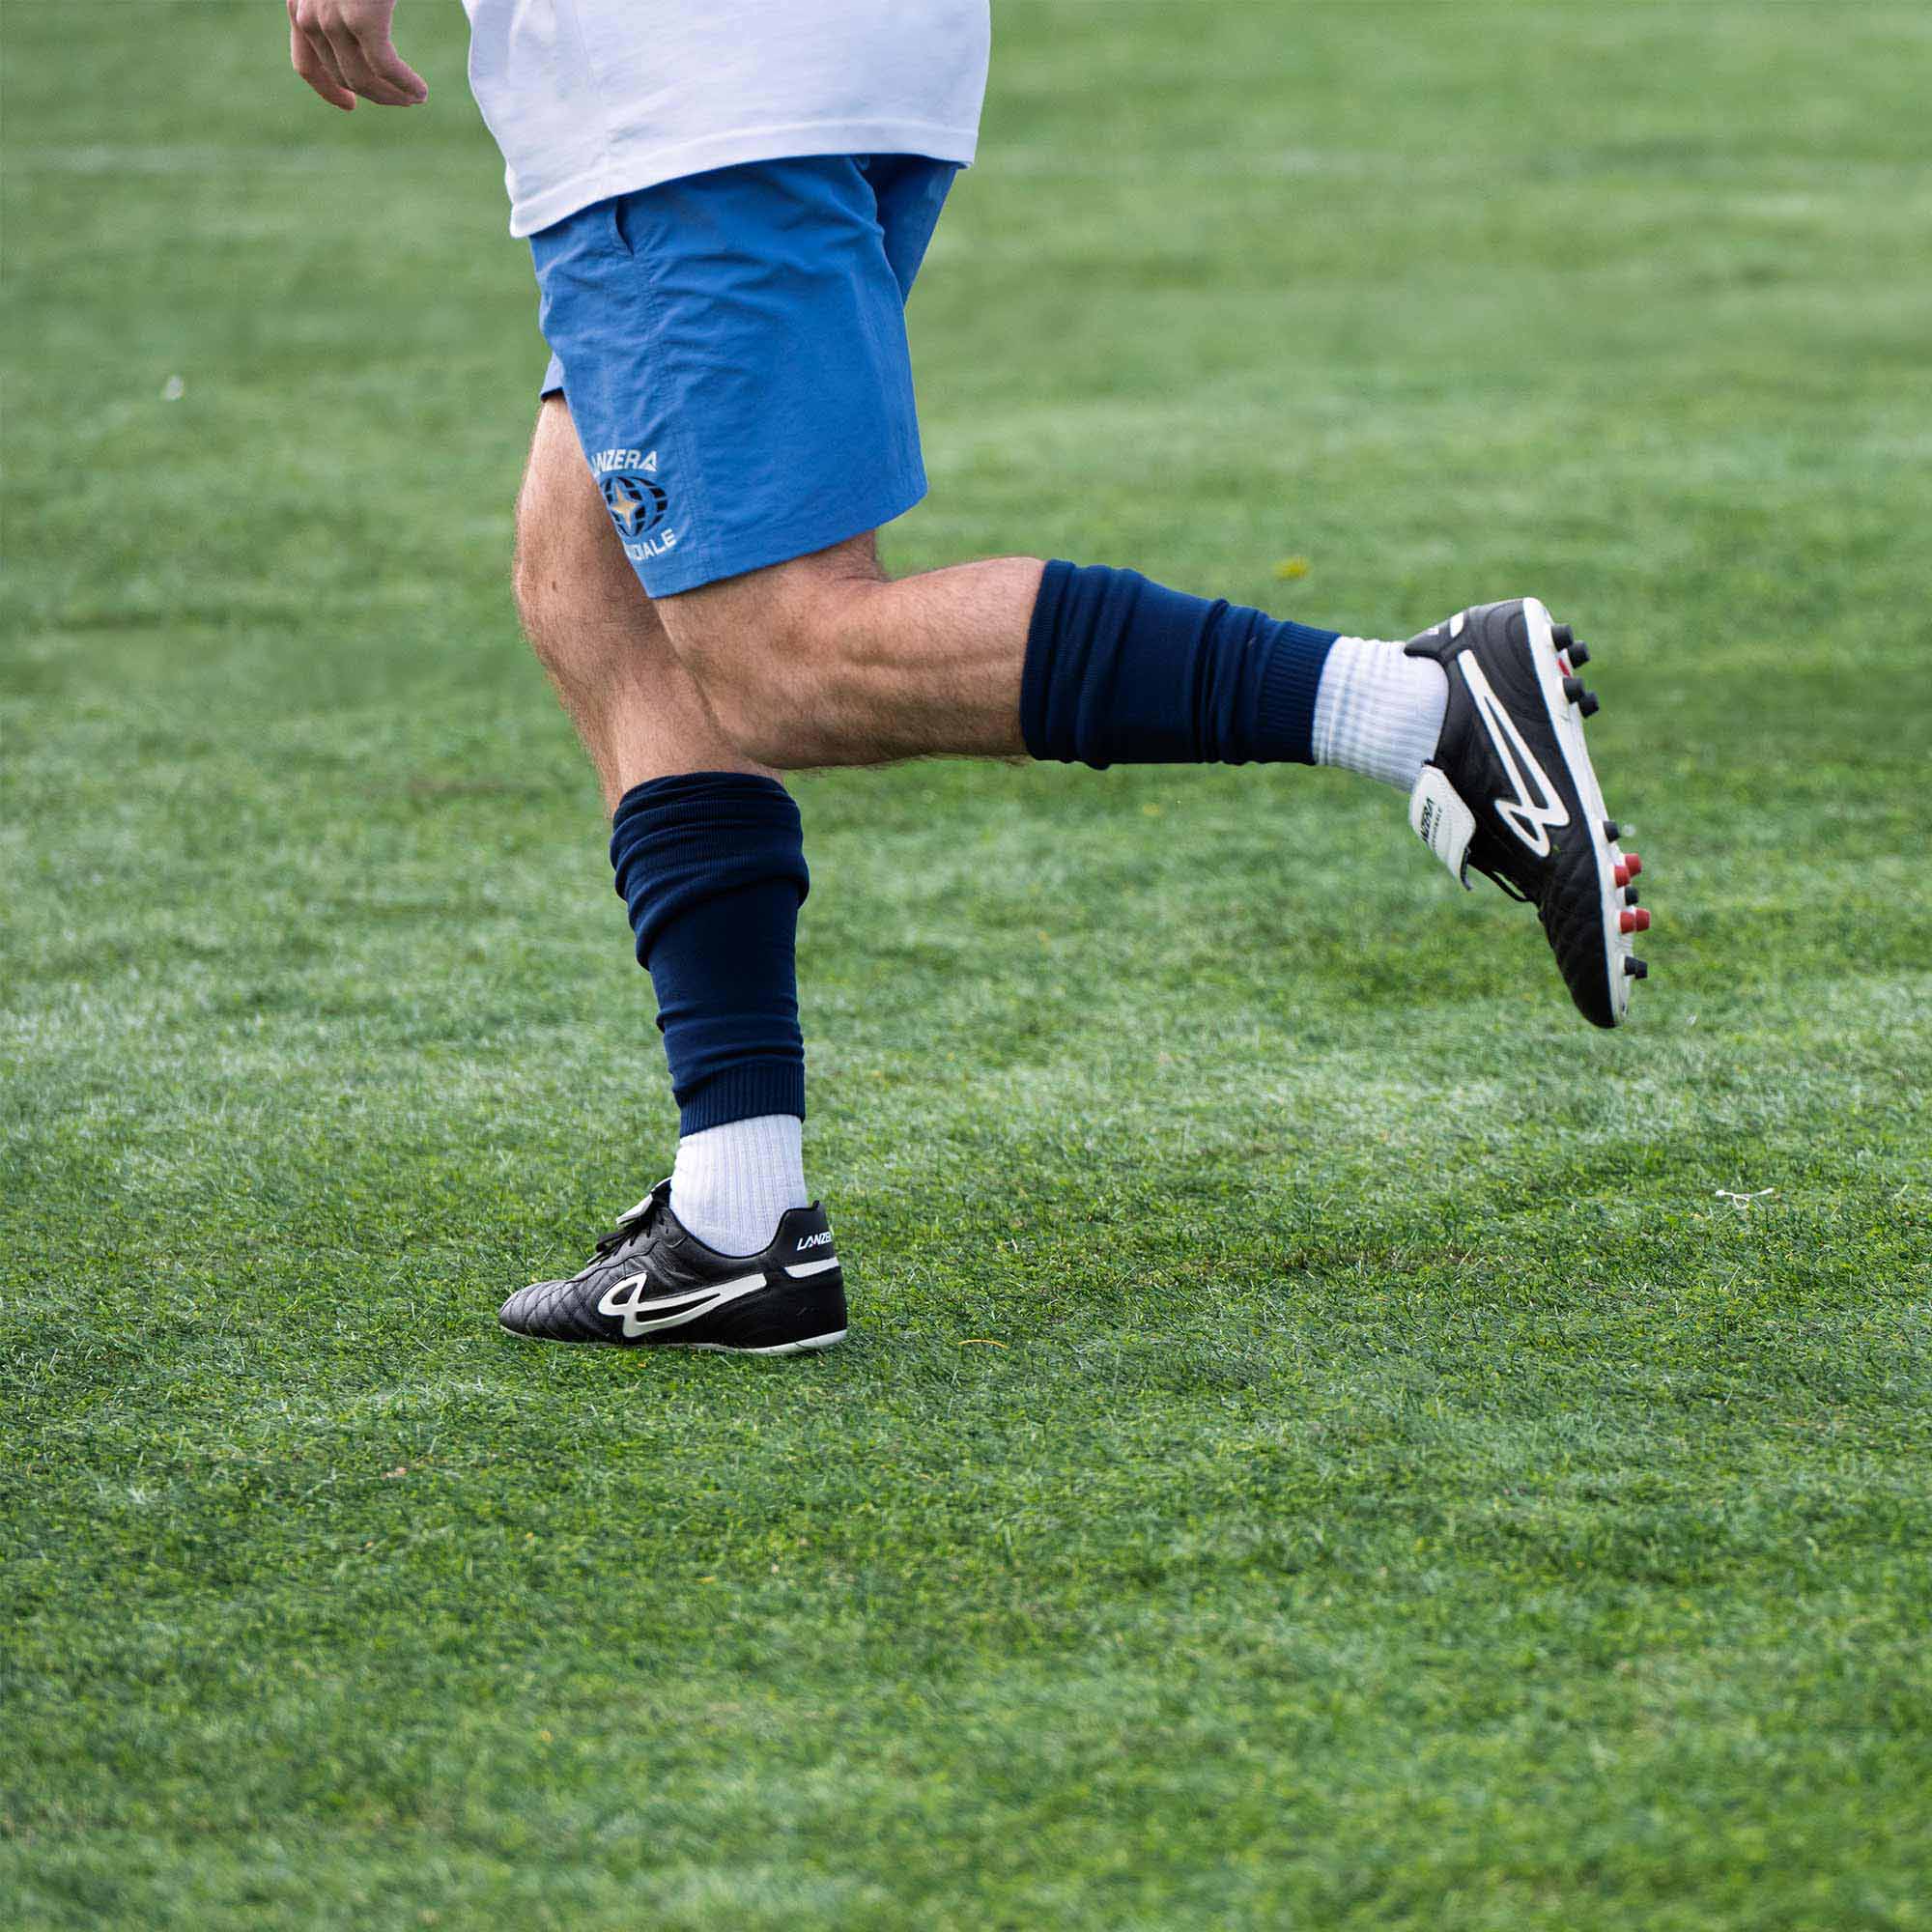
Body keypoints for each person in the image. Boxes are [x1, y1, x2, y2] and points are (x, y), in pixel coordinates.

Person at [285, 0, 1651, 1355]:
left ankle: (1421, 708)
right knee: (597, 584)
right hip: (828, 61)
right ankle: (738, 1216)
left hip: (685, 79)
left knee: (783, 652)